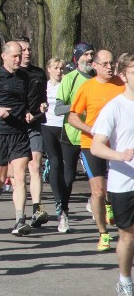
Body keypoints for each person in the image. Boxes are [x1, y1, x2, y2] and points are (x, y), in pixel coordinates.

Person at [0, 41, 42, 236]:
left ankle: (20, 220)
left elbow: (29, 102)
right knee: (0, 179)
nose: (18, 59)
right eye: (14, 56)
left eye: (20, 55)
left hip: (20, 132)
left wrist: (33, 112)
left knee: (20, 176)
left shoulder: (25, 77)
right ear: (3, 56)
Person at [69, 49, 124, 251]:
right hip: (91, 145)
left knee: (118, 190)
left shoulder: (122, 84)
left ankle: (111, 205)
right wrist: (92, 129)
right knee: (98, 191)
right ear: (95, 66)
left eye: (112, 63)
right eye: (105, 64)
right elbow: (73, 116)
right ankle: (103, 233)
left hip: (119, 145)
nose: (110, 67)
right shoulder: (87, 88)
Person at [91, 52, 134, 296]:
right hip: (123, 182)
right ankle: (125, 280)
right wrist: (121, 155)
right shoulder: (114, 108)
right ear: (123, 76)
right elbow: (96, 146)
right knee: (128, 236)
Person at [53, 42, 95, 230]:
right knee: (69, 178)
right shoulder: (70, 78)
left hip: (93, 135)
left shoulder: (98, 79)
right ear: (77, 58)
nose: (89, 58)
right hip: (71, 135)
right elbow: (58, 109)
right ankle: (63, 212)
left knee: (97, 176)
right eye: (85, 54)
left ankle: (93, 202)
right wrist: (79, 106)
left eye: (91, 54)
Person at [16, 38, 49, 228]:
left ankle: (37, 208)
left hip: (35, 124)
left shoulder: (38, 73)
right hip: (15, 127)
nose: (28, 53)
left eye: (29, 49)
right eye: (23, 50)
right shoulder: (11, 75)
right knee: (17, 173)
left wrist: (43, 106)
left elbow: (43, 99)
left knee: (35, 165)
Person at [41, 57, 68, 232]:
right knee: (56, 161)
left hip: (65, 127)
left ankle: (50, 169)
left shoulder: (67, 84)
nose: (59, 71)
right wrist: (40, 106)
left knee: (65, 167)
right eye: (56, 68)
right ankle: (60, 204)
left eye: (61, 68)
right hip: (47, 126)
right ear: (49, 69)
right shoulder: (43, 86)